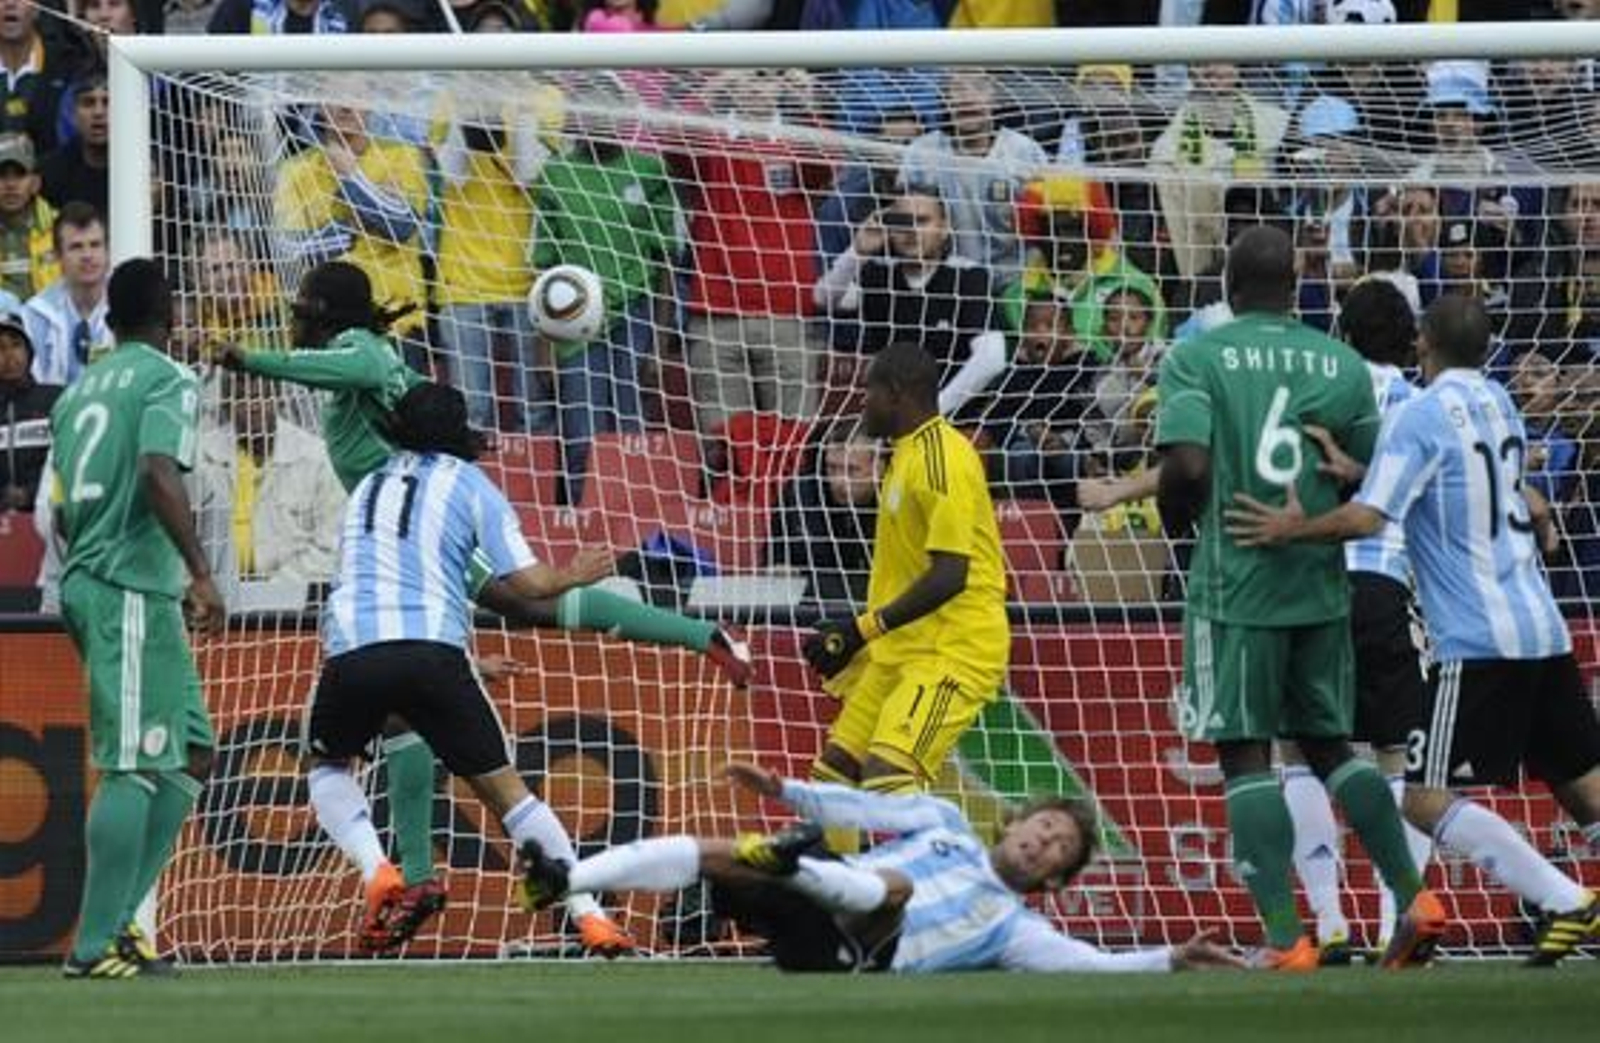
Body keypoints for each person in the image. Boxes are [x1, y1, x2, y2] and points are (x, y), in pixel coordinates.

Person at [219, 261, 752, 950]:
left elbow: (346, 371)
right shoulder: (394, 399)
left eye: (300, 307)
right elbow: (409, 406)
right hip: (419, 585)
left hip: (402, 549)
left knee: (524, 602)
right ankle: (487, 888)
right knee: (425, 712)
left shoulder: (360, 355)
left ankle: (701, 632)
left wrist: (251, 358)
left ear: (321, 312)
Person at [1226, 295, 1600, 967]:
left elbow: (1368, 521)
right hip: (1544, 625)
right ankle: (1556, 899)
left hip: (1477, 639)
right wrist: (1362, 470)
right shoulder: (1497, 402)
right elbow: (1461, 481)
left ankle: (1564, 897)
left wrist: (1292, 528)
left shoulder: (1418, 415)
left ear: (1424, 342)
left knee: (1420, 795)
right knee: (1584, 789)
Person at [1154, 225, 1441, 971]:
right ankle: (1415, 900)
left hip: (1234, 585)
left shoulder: (1196, 355)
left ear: (1227, 286)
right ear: (1296, 287)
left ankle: (1288, 940)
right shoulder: (1341, 363)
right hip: (1320, 582)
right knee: (1330, 746)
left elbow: (1186, 463)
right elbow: (1378, 470)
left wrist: (1179, 520)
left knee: (1246, 755)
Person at [304, 380, 625, 954]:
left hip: (353, 649)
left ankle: (378, 868)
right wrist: (575, 571)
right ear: (460, 434)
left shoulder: (368, 486)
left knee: (328, 767)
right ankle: (589, 913)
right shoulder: (471, 484)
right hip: (432, 651)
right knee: (510, 795)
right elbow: (527, 586)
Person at [519, 761, 1245, 974]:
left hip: (850, 953)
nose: (1043, 843)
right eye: (1044, 827)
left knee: (893, 886)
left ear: (1055, 878)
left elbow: (1092, 965)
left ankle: (793, 861)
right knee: (718, 851)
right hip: (815, 909)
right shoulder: (947, 822)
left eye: (1059, 848)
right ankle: (567, 880)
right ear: (1015, 819)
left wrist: (1170, 957)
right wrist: (790, 793)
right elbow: (866, 802)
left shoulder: (1011, 927)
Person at [50, 258, 226, 978]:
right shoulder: (167, 378)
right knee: (128, 763)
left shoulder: (76, 390)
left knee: (190, 748)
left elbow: (60, 508)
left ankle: (121, 921)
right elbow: (159, 470)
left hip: (106, 580)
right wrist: (202, 572)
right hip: (125, 583)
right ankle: (91, 948)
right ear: (170, 312)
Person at [799, 343, 1009, 846]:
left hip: (953, 649)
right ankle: (846, 911)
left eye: (868, 391)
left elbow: (950, 574)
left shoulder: (943, 459)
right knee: (832, 782)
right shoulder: (905, 454)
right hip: (900, 650)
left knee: (889, 778)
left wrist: (860, 629)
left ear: (895, 394)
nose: (862, 403)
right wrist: (865, 638)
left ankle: (945, 899)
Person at [813, 184, 1008, 417]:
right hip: (891, 416)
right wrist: (857, 252)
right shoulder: (879, 273)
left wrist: (934, 409)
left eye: (922, 221)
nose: (911, 231)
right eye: (902, 222)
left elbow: (993, 357)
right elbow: (824, 298)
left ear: (944, 229)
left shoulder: (968, 276)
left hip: (954, 417)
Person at [274, 103, 429, 371]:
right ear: (319, 105)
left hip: (396, 321)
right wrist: (355, 222)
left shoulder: (403, 156)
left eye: (354, 95)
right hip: (328, 326)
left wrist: (351, 177)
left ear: (370, 105)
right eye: (335, 95)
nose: (346, 105)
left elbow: (402, 227)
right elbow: (293, 248)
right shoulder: (295, 169)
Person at [195, 369, 347, 585]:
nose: (253, 407)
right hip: (216, 592)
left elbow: (331, 543)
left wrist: (275, 586)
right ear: (226, 406)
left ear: (279, 401)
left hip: (294, 595)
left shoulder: (316, 457)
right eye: (241, 399)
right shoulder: (202, 455)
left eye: (261, 398)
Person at [766, 422, 878, 605]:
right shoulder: (798, 496)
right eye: (832, 468)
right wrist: (779, 568)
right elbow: (774, 557)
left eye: (852, 470)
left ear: (879, 468)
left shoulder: (897, 502)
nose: (839, 481)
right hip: (809, 606)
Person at [24, 201, 108, 388]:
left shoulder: (128, 303)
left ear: (107, 250)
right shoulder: (35, 314)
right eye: (76, 247)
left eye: (95, 245)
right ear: (57, 255)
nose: (87, 255)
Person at [0, 309, 58, 511]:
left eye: (16, 345)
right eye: (0, 348)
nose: (9, 356)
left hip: (47, 521)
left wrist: (29, 494)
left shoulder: (56, 399)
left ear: (29, 351)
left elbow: (69, 462)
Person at [38, 71, 107, 216]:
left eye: (107, 102)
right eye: (88, 103)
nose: (98, 112)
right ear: (73, 114)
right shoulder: (50, 173)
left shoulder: (145, 169)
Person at [0, 132, 57, 303]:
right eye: (2, 175)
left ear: (35, 182)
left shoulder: (61, 227)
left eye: (19, 174)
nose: (10, 184)